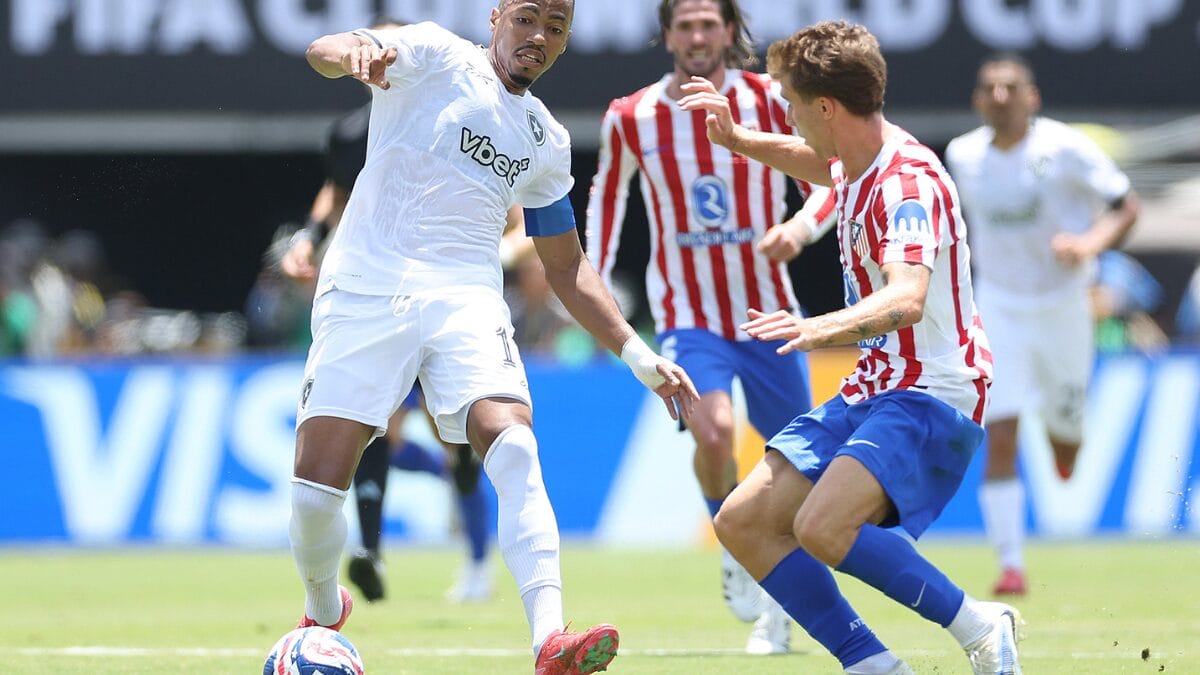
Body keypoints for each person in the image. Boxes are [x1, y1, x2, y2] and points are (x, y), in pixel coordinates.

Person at [293, 3, 699, 674]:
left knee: (512, 443)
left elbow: (566, 267)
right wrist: (351, 56)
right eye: (528, 18)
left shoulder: (545, 140)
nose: (539, 37)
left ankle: (549, 640)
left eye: (557, 28)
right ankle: (323, 606)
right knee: (313, 496)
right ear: (497, 17)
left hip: (466, 298)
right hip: (366, 285)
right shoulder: (430, 54)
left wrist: (639, 353)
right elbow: (323, 46)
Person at [678, 20, 1023, 674]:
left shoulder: (907, 186)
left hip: (933, 388)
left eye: (791, 101)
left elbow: (906, 299)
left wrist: (815, 329)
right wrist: (737, 137)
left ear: (826, 107)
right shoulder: (859, 161)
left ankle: (981, 625)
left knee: (821, 526)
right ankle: (875, 665)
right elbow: (821, 163)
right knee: (744, 521)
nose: (787, 111)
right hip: (876, 385)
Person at [584, 0, 834, 654]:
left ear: (728, 31)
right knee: (715, 428)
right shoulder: (630, 114)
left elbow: (831, 174)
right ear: (668, 35)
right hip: (688, 316)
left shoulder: (769, 100)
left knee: (797, 468)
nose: (697, 35)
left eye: (708, 23)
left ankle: (776, 607)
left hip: (768, 311)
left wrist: (801, 226)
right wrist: (592, 289)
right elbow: (608, 198)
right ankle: (734, 536)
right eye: (685, 24)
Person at [276, 33, 497, 604]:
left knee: (460, 447)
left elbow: (511, 210)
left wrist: (500, 257)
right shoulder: (351, 132)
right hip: (379, 298)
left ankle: (476, 555)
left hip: (450, 298)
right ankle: (371, 550)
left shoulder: (463, 116)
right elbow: (338, 190)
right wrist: (311, 237)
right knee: (381, 427)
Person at [944, 53, 1140, 596]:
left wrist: (1088, 244)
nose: (1001, 96)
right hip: (1000, 307)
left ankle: (1065, 442)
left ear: (1032, 98)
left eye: (1011, 87)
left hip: (1063, 307)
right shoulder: (963, 155)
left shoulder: (1066, 148)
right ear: (977, 100)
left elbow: (1127, 207)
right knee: (999, 431)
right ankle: (1011, 566)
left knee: (1066, 441)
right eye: (990, 88)